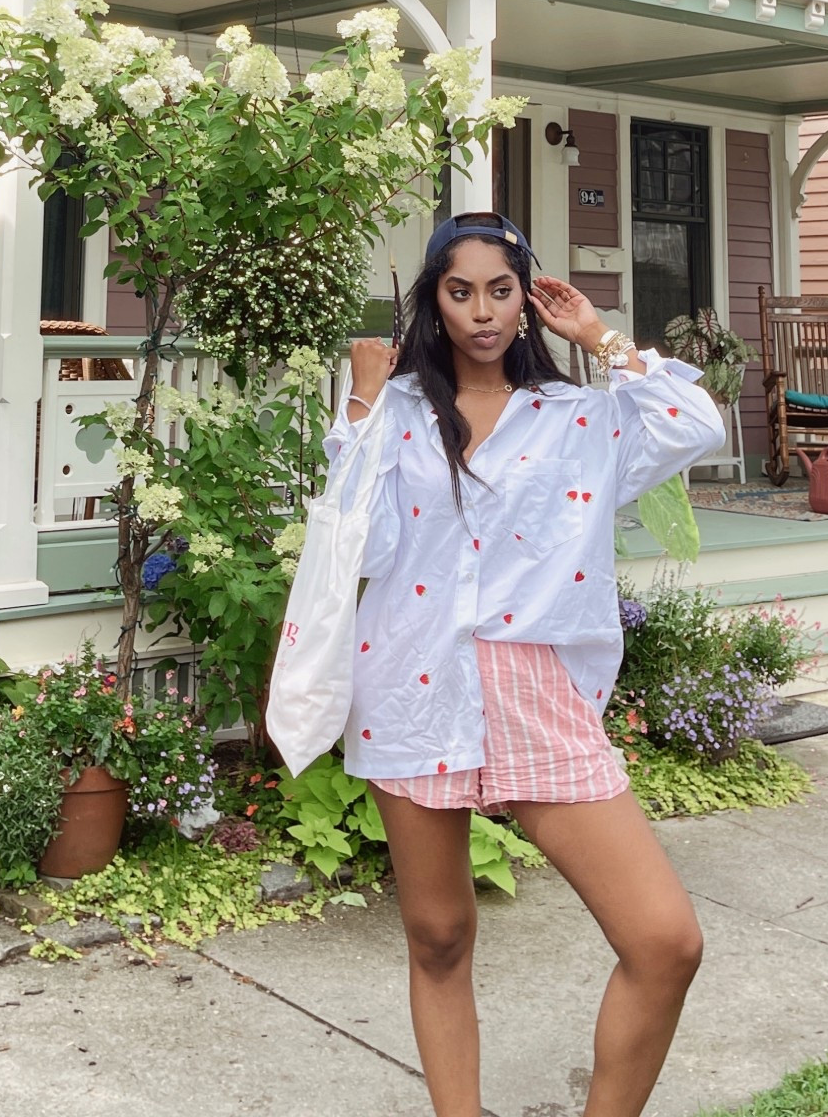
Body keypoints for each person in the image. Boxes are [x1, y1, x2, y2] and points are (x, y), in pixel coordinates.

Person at [328, 209, 725, 1117]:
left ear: (525, 299)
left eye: (501, 291)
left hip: (535, 686)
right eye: (460, 291)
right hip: (414, 682)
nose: (482, 312)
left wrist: (599, 337)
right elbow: (357, 543)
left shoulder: (579, 418)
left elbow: (694, 424)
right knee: (437, 936)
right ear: (434, 301)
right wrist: (359, 403)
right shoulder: (396, 412)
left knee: (665, 940)